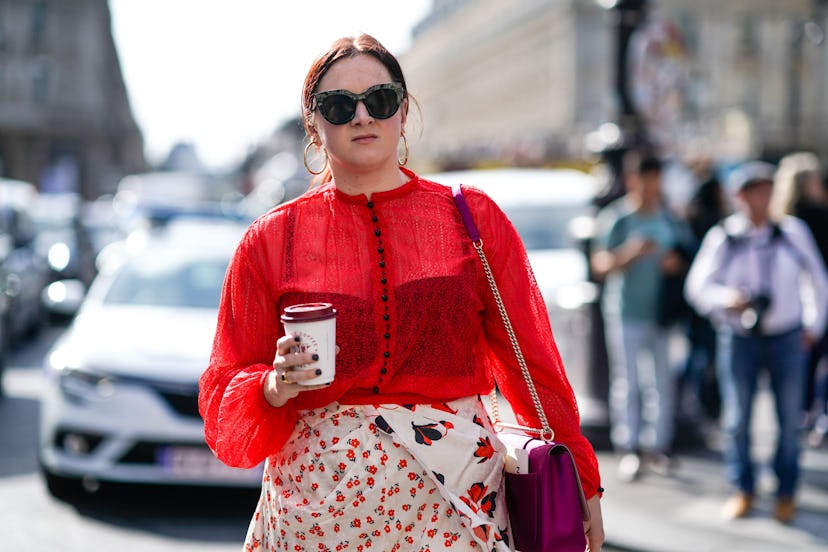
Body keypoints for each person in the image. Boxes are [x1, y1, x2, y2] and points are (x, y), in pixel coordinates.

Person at [198, 33, 604, 551]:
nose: (363, 117)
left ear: (403, 110)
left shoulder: (470, 218)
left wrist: (582, 479)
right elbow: (224, 390)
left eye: (381, 100)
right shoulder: (272, 239)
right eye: (340, 106)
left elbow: (535, 365)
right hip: (317, 512)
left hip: (456, 504)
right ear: (313, 124)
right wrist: (274, 385)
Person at [684, 160, 828, 523]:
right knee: (738, 419)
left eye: (766, 191)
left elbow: (817, 280)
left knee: (789, 419)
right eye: (753, 191)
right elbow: (697, 287)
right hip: (740, 337)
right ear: (739, 196)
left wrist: (813, 326)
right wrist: (728, 299)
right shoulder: (726, 236)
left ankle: (786, 491)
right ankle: (743, 488)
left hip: (788, 336)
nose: (760, 199)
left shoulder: (792, 232)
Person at [591, 152, 693, 482]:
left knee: (661, 382)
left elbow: (688, 255)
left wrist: (674, 263)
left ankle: (657, 445)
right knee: (629, 381)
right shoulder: (618, 219)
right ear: (634, 181)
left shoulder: (669, 217)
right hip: (626, 312)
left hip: (661, 314)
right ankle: (630, 445)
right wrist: (630, 253)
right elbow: (600, 265)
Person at [770, 152, 828, 445]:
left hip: (791, 304)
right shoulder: (812, 219)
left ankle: (802, 414)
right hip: (814, 299)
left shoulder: (780, 221)